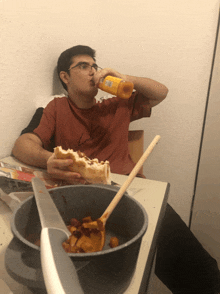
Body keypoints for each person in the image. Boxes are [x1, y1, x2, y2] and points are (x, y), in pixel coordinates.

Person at [12, 45, 220, 294]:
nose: (92, 72)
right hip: (82, 197)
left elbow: (160, 93)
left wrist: (126, 78)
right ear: (64, 77)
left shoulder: (116, 105)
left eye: (94, 66)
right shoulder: (55, 109)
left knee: (202, 271)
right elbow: (22, 145)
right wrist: (47, 159)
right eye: (83, 66)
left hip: (132, 190)